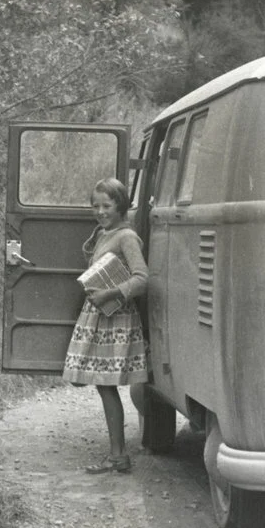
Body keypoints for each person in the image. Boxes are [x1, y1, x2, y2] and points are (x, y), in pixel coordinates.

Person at [62, 178, 149, 474]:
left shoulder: (126, 237)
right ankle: (117, 454)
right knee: (103, 385)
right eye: (95, 206)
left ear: (121, 205)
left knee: (106, 385)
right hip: (101, 313)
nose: (100, 211)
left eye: (106, 206)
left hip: (115, 317)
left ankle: (118, 456)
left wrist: (110, 293)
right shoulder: (105, 233)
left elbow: (142, 278)